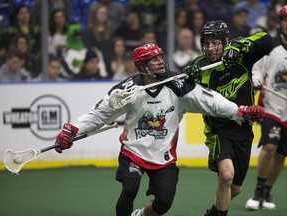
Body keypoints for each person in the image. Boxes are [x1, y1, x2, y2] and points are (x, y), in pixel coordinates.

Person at [53, 43, 265, 216]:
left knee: (163, 203)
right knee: (129, 189)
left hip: (164, 157)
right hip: (133, 153)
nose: (160, 62)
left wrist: (241, 111)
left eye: (160, 57)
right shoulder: (128, 91)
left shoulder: (179, 85)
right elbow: (99, 114)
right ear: (142, 66)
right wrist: (72, 131)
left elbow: (212, 102)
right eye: (153, 60)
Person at [184, 20, 274, 216]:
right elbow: (183, 90)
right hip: (218, 131)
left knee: (235, 188)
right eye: (207, 43)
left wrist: (237, 47)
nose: (210, 48)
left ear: (225, 41)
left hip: (243, 130)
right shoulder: (200, 66)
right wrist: (188, 78)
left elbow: (268, 40)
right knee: (226, 176)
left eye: (215, 42)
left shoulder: (241, 55)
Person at [245, 5, 287, 211]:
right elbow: (257, 70)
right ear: (280, 23)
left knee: (281, 155)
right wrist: (256, 80)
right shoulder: (271, 47)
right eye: (285, 19)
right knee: (270, 146)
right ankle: (258, 190)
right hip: (271, 106)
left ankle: (267, 191)